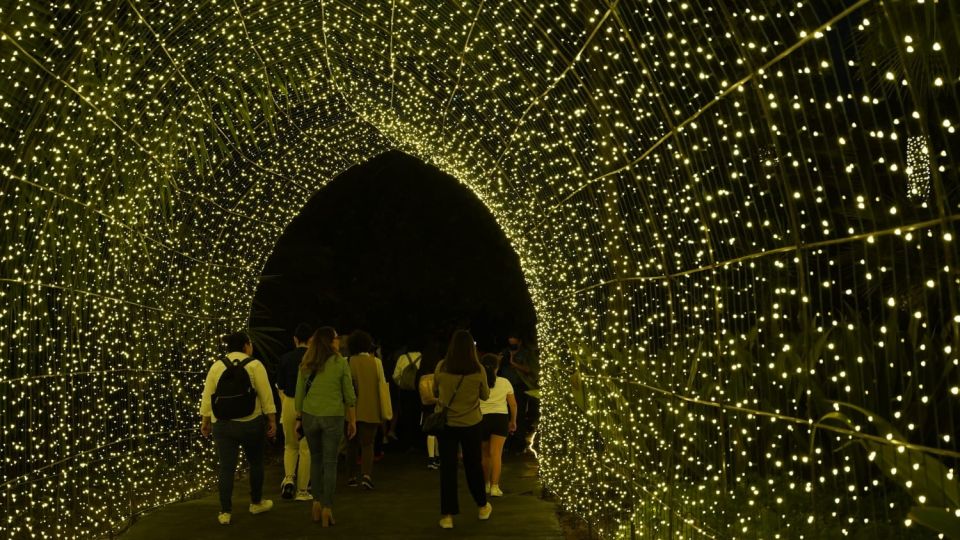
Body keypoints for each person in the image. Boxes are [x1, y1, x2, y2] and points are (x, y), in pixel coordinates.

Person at [200, 331, 277, 525]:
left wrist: (205, 421)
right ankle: (256, 503)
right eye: (250, 344)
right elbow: (266, 394)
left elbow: (208, 395)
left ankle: (225, 511)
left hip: (223, 425)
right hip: (251, 423)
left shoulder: (217, 366)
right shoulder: (254, 364)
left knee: (226, 467)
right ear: (245, 346)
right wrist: (272, 419)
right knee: (256, 463)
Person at [295, 326, 357, 527]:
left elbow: (299, 395)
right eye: (337, 338)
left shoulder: (306, 362)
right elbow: (349, 394)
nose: (339, 341)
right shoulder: (340, 363)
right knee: (330, 463)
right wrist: (352, 420)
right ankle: (327, 508)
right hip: (333, 416)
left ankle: (316, 504)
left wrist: (299, 418)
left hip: (310, 416)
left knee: (316, 460)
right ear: (330, 341)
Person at [433, 329, 491, 529]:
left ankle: (447, 516)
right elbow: (485, 395)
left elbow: (434, 390)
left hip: (447, 424)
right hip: (471, 424)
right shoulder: (478, 370)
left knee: (447, 469)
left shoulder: (442, 366)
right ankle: (482, 506)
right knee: (473, 465)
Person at [276, 322, 313, 501]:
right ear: (311, 340)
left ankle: (289, 478)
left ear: (295, 340)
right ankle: (302, 491)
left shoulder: (286, 358)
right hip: (309, 405)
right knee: (305, 449)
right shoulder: (314, 359)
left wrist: (286, 403)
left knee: (290, 445)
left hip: (289, 402)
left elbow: (280, 386)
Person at [346, 330, 386, 490]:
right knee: (368, 444)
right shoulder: (376, 362)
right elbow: (382, 385)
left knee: (351, 444)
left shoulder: (346, 361)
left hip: (350, 411)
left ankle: (351, 477)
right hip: (371, 408)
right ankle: (366, 476)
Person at [479, 353, 517, 497]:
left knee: (484, 455)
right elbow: (513, 405)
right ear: (497, 367)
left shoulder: (478, 381)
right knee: (496, 454)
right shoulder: (505, 382)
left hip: (481, 418)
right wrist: (513, 421)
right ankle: (495, 487)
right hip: (500, 419)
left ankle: (486, 485)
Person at [500, 333, 538, 454]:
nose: (512, 345)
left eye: (514, 342)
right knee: (506, 413)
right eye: (510, 342)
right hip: (505, 387)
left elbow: (530, 369)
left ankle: (518, 442)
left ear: (519, 341)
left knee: (519, 414)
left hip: (519, 387)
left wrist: (513, 362)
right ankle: (508, 442)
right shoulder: (506, 352)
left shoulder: (526, 353)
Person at [392, 343, 423, 450]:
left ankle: (406, 442)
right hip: (418, 392)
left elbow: (395, 376)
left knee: (405, 415)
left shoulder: (402, 358)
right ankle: (417, 442)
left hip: (405, 392)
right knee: (417, 415)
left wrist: (402, 384)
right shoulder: (422, 357)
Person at [417, 339, 442, 469]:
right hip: (438, 404)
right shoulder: (438, 373)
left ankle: (431, 458)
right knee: (437, 431)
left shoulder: (422, 373)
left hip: (426, 405)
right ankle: (436, 457)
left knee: (430, 432)